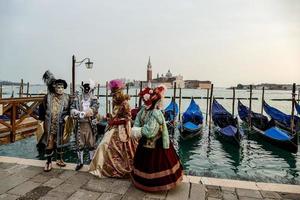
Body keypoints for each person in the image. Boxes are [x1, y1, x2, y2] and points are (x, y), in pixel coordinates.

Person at [131, 85, 183, 192]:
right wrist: (136, 128)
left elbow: (150, 132)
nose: (144, 102)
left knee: (156, 163)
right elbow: (137, 122)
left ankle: (157, 184)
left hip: (156, 142)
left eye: (145, 100)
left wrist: (137, 131)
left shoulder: (156, 113)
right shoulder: (143, 111)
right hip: (145, 141)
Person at [89, 79, 138, 178]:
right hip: (113, 127)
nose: (113, 96)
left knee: (106, 145)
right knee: (104, 145)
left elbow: (128, 118)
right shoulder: (115, 102)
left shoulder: (125, 103)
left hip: (122, 129)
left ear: (119, 93)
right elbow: (115, 115)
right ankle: (101, 167)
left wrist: (115, 121)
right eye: (113, 94)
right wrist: (109, 116)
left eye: (115, 94)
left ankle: (112, 168)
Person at [39, 70, 71, 172]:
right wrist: (40, 120)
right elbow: (42, 108)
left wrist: (68, 117)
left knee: (60, 142)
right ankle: (48, 161)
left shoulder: (67, 97)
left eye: (62, 87)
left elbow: (70, 110)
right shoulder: (48, 97)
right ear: (54, 87)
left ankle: (59, 159)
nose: (60, 89)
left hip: (61, 124)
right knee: (49, 142)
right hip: (49, 124)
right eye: (58, 87)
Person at [70, 80, 99, 171]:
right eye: (85, 89)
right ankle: (80, 162)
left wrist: (85, 113)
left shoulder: (94, 99)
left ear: (90, 89)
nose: (86, 90)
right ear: (83, 89)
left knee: (91, 143)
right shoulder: (77, 98)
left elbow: (95, 108)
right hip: (79, 124)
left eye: (88, 89)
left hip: (90, 124)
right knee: (79, 143)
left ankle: (91, 161)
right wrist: (76, 112)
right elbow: (72, 108)